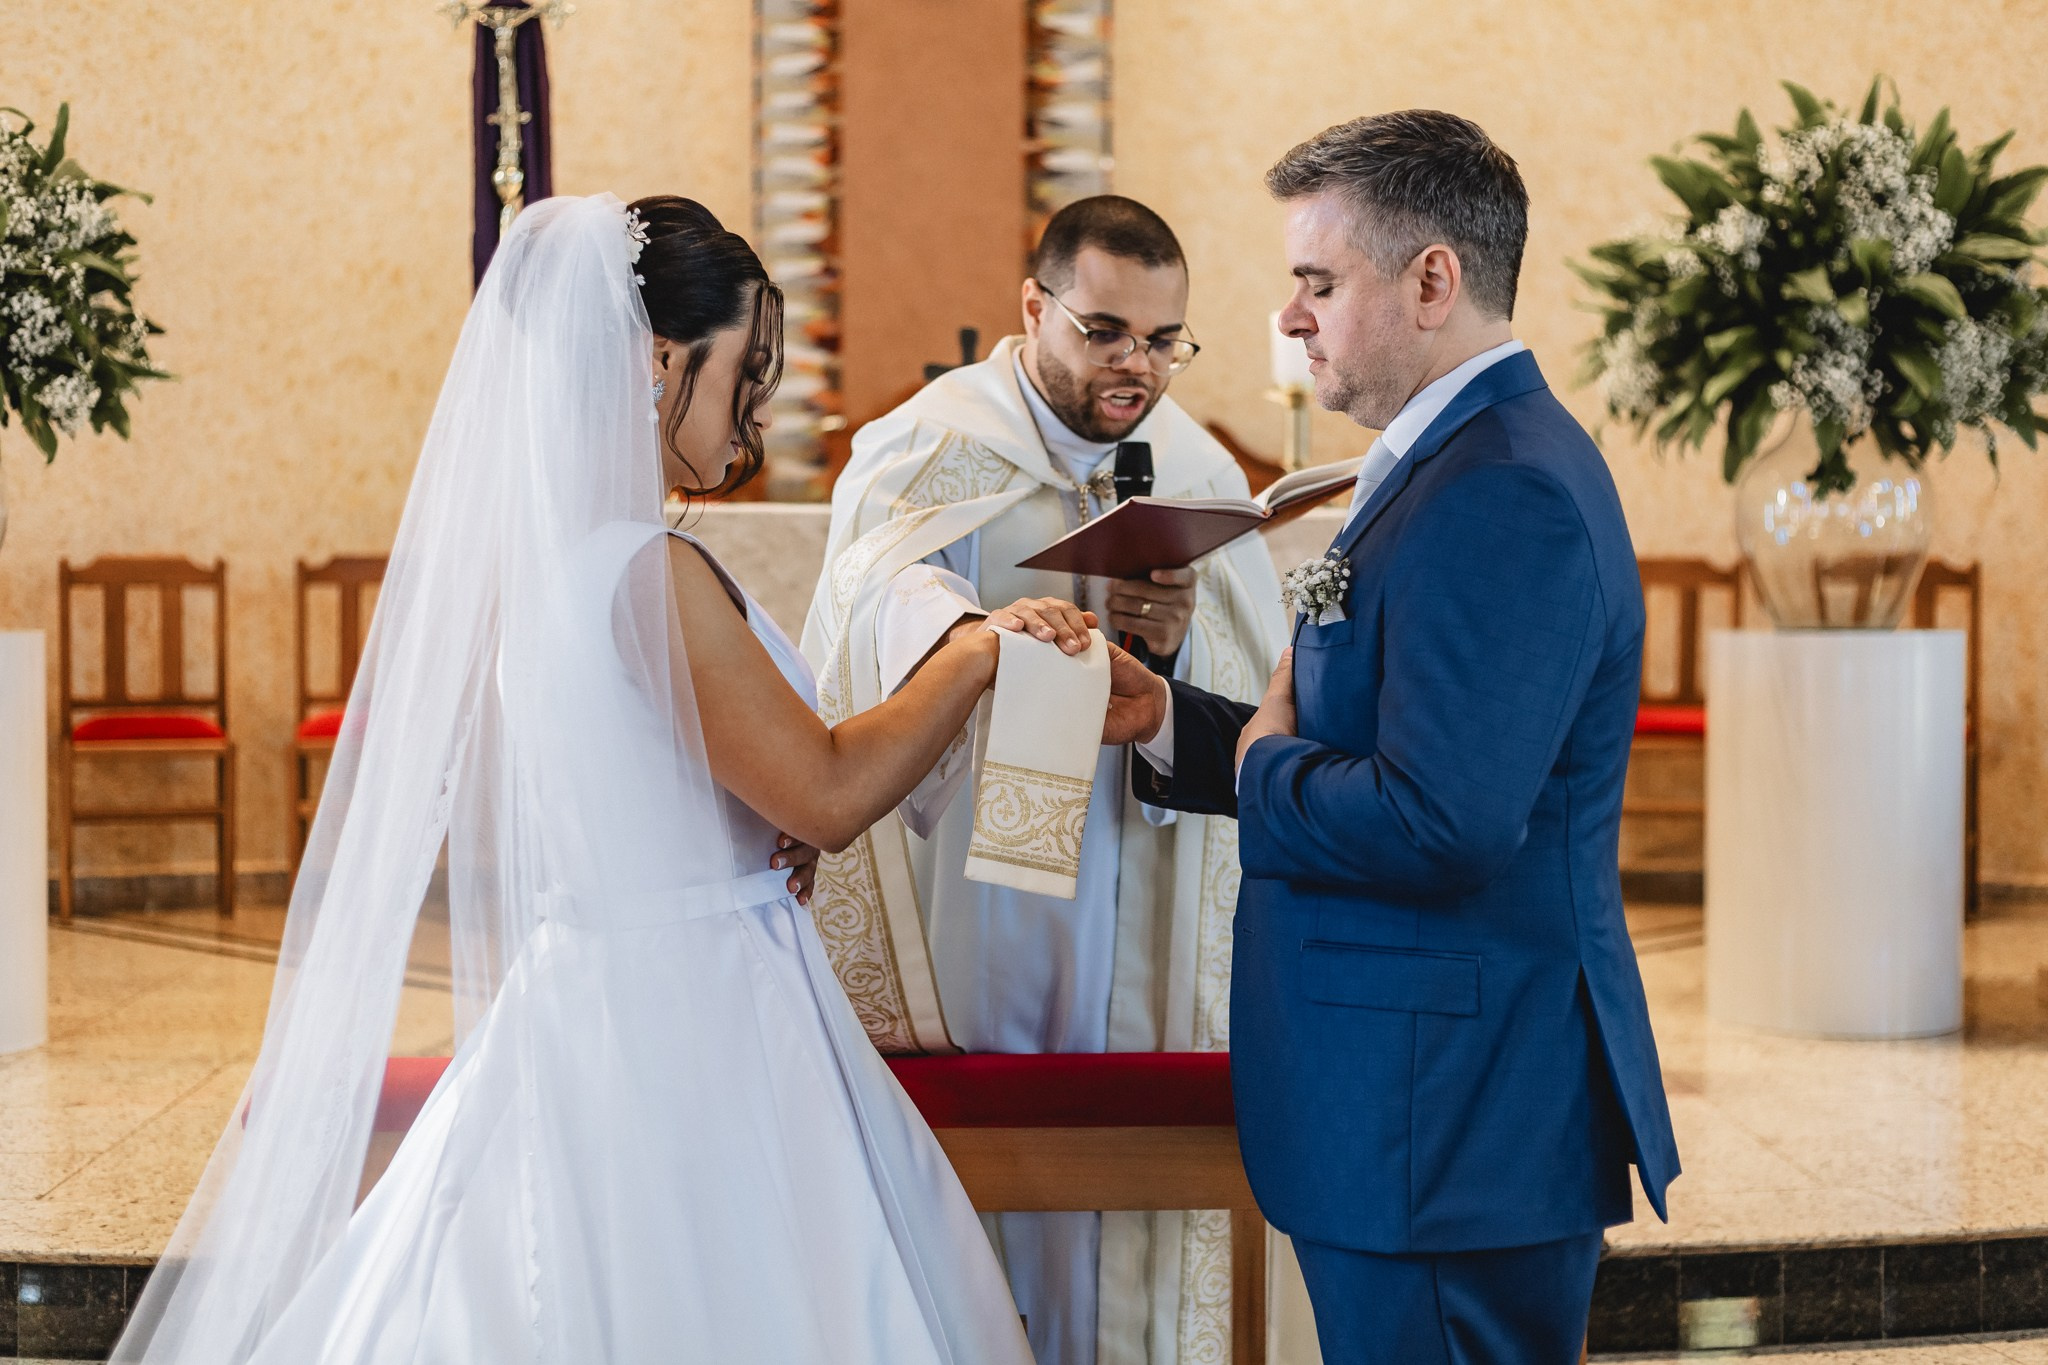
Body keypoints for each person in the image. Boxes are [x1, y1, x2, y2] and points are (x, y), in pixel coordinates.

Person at [109, 193, 1073, 1365]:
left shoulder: (560, 569)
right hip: (702, 1009)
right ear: (661, 359)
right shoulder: (650, 574)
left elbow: (671, 791)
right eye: (746, 370)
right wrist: (975, 651)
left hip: (593, 984)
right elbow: (822, 792)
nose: (758, 406)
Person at [1100, 112, 1681, 1364]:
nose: (1292, 316)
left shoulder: (1502, 489)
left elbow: (1444, 821)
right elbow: (1374, 737)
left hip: (1442, 1119)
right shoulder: (1449, 462)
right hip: (1423, 1103)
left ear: (1431, 280)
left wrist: (1258, 764)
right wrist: (1173, 730)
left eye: (1316, 281)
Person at [801, 195, 1285, 1365]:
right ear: (1033, 308)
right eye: (1105, 333)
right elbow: (871, 604)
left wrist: (1168, 643)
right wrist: (979, 632)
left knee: (1126, 1162)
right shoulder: (928, 444)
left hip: (1138, 877)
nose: (1137, 368)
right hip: (985, 891)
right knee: (1003, 1160)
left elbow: (1245, 671)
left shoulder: (1192, 462)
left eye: (1164, 341)